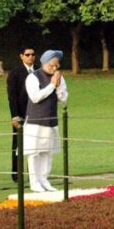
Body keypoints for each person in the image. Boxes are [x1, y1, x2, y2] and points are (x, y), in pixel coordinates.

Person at [24, 50, 68, 192]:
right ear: (44, 63)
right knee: (34, 152)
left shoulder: (58, 78)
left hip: (51, 120)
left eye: (57, 66)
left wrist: (58, 86)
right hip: (35, 122)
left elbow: (63, 99)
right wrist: (51, 86)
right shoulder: (33, 77)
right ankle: (34, 182)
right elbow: (35, 97)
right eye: (52, 65)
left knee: (48, 152)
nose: (55, 68)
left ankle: (44, 179)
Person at [7, 46, 37, 182]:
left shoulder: (38, 72)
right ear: (21, 56)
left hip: (36, 114)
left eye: (32, 54)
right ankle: (17, 175)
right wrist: (14, 115)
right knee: (19, 144)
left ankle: (35, 174)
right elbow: (12, 96)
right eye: (27, 54)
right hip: (21, 114)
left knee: (36, 144)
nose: (30, 57)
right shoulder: (15, 73)